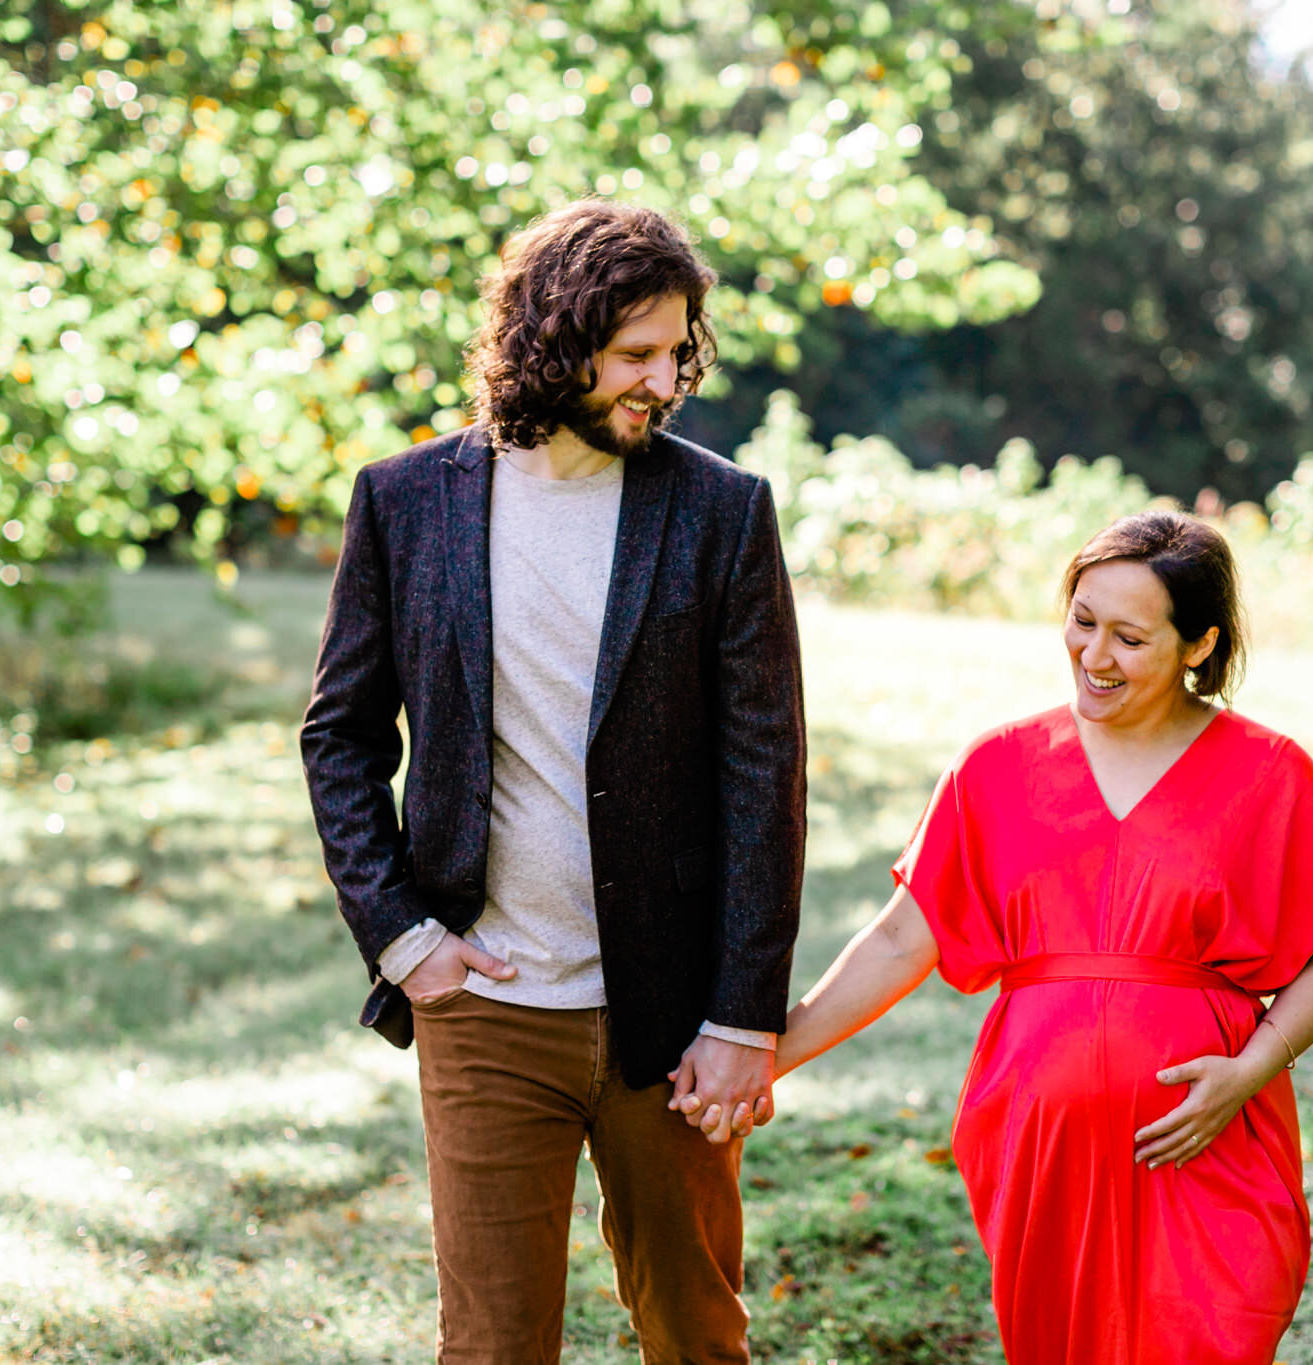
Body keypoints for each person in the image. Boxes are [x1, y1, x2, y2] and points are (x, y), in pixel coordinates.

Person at [299, 200, 805, 1365]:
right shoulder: (404, 501)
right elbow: (339, 737)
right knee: (490, 1344)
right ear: (552, 338)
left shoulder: (724, 511)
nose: (665, 378)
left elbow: (764, 777)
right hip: (482, 1012)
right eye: (636, 354)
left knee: (695, 1334)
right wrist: (403, 937)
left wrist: (742, 1018)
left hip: (672, 1022)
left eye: (679, 351)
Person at [756, 510, 1313, 1364]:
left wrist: (1247, 1072)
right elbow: (903, 940)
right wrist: (769, 1055)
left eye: (1129, 636)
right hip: (1039, 1146)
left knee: (1216, 1336)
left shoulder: (1272, 773)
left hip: (1207, 1133)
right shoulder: (997, 767)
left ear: (1199, 645)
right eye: (1082, 621)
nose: (1093, 654)